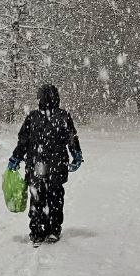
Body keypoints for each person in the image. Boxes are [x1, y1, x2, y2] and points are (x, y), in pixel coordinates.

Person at [7, 84, 83, 245]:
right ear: (57, 98)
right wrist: (76, 156)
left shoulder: (32, 117)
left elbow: (23, 142)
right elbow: (72, 139)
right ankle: (53, 230)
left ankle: (36, 231)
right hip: (57, 166)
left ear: (39, 98)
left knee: (37, 198)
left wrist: (15, 158)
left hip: (36, 166)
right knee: (55, 198)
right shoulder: (63, 116)